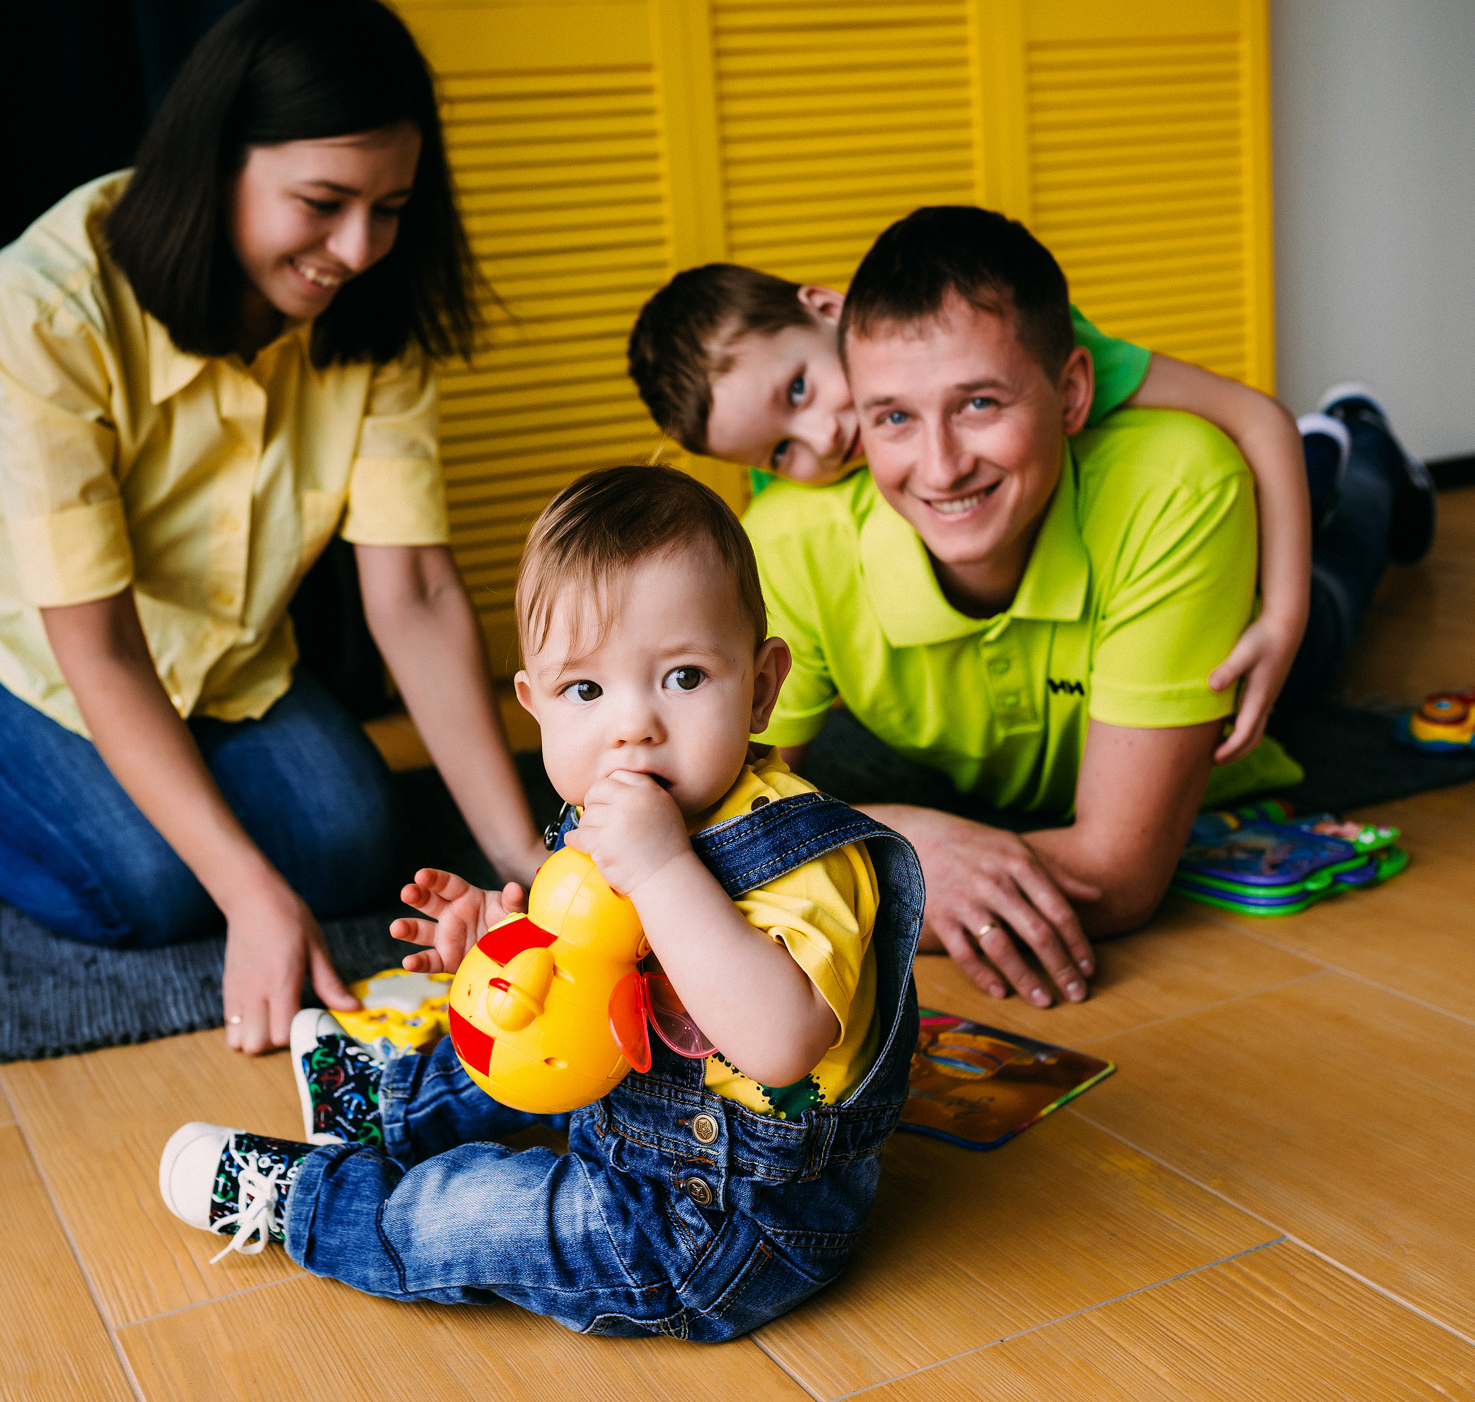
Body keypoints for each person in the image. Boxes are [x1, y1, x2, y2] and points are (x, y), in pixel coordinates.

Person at [0, 0, 548, 1055]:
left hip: (216, 658)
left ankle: (139, 806)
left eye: (391, 208)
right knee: (150, 888)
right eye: (323, 203)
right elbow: (93, 643)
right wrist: (248, 895)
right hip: (2, 642)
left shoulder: (372, 313)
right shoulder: (52, 298)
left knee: (353, 845)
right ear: (215, 159)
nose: (359, 248)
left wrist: (523, 858)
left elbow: (413, 593)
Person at [155, 465, 927, 1341]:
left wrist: (665, 869)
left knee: (480, 1212)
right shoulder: (608, 815)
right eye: (586, 692)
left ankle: (309, 1204)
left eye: (682, 678)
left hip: (715, 1231)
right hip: (617, 1105)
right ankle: (388, 1105)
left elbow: (781, 1045)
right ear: (535, 707)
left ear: (758, 687)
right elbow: (581, 977)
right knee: (511, 1031)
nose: (631, 725)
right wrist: (502, 941)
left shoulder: (802, 855)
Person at [733, 207, 1435, 1009]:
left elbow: (1118, 874)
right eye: (893, 416)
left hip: (1249, 653)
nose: (941, 465)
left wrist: (862, 866)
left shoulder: (1181, 482)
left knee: (1335, 596)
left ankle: (1366, 445)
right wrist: (907, 849)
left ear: (1072, 393)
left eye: (979, 405)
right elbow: (719, 829)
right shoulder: (786, 539)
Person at [628, 267, 1437, 769]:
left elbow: (1253, 417)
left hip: (1192, 558)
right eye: (778, 452)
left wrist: (1285, 615)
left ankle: (1359, 450)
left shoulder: (1006, 342)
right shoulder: (796, 516)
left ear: (826, 307)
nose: (823, 439)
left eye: (799, 390)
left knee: (1329, 602)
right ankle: (1328, 467)